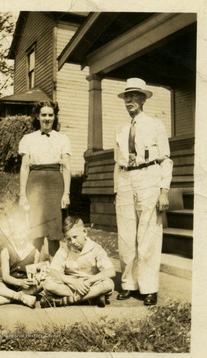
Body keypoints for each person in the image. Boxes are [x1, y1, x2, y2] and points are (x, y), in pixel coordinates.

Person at [114, 78, 173, 306]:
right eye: (126, 96)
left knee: (148, 234)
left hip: (149, 176)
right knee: (127, 235)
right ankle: (129, 283)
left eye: (134, 95)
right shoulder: (120, 129)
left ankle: (149, 287)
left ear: (143, 98)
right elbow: (116, 162)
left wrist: (164, 190)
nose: (129, 100)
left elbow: (165, 159)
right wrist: (117, 187)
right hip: (125, 178)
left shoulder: (155, 124)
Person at [18, 100, 71, 261]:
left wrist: (66, 194)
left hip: (56, 185)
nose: (47, 118)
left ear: (54, 117)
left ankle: (55, 267)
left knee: (54, 229)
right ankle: (34, 268)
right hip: (34, 185)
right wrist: (22, 194)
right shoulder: (28, 139)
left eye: (50, 115)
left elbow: (67, 168)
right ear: (37, 116)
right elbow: (25, 167)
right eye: (43, 115)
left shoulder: (63, 139)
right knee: (35, 229)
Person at [40, 216, 115, 308]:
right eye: (69, 239)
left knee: (108, 284)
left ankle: (64, 301)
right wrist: (73, 282)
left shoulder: (95, 248)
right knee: (48, 283)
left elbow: (110, 271)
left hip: (90, 284)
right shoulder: (65, 248)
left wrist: (89, 281)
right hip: (71, 285)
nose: (73, 242)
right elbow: (53, 271)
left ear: (84, 232)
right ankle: (92, 298)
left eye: (75, 237)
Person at [0, 223, 42, 308]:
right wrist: (19, 282)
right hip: (9, 285)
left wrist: (35, 279)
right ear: (12, 236)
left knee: (44, 282)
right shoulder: (6, 251)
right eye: (16, 234)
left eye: (22, 233)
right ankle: (19, 297)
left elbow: (35, 276)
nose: (19, 237)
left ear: (27, 233)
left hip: (26, 288)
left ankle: (8, 297)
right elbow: (5, 277)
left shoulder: (35, 252)